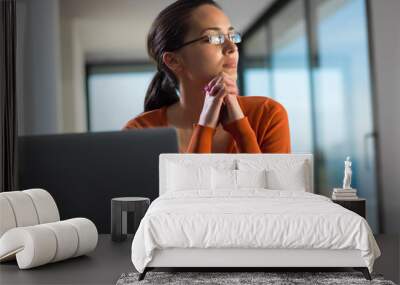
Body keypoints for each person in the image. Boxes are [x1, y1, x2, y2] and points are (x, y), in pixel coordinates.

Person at [123, 0, 291, 154]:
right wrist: (205, 126)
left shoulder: (267, 115)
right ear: (173, 61)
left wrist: (240, 127)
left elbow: (269, 187)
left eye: (232, 36)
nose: (232, 47)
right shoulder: (139, 132)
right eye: (214, 38)